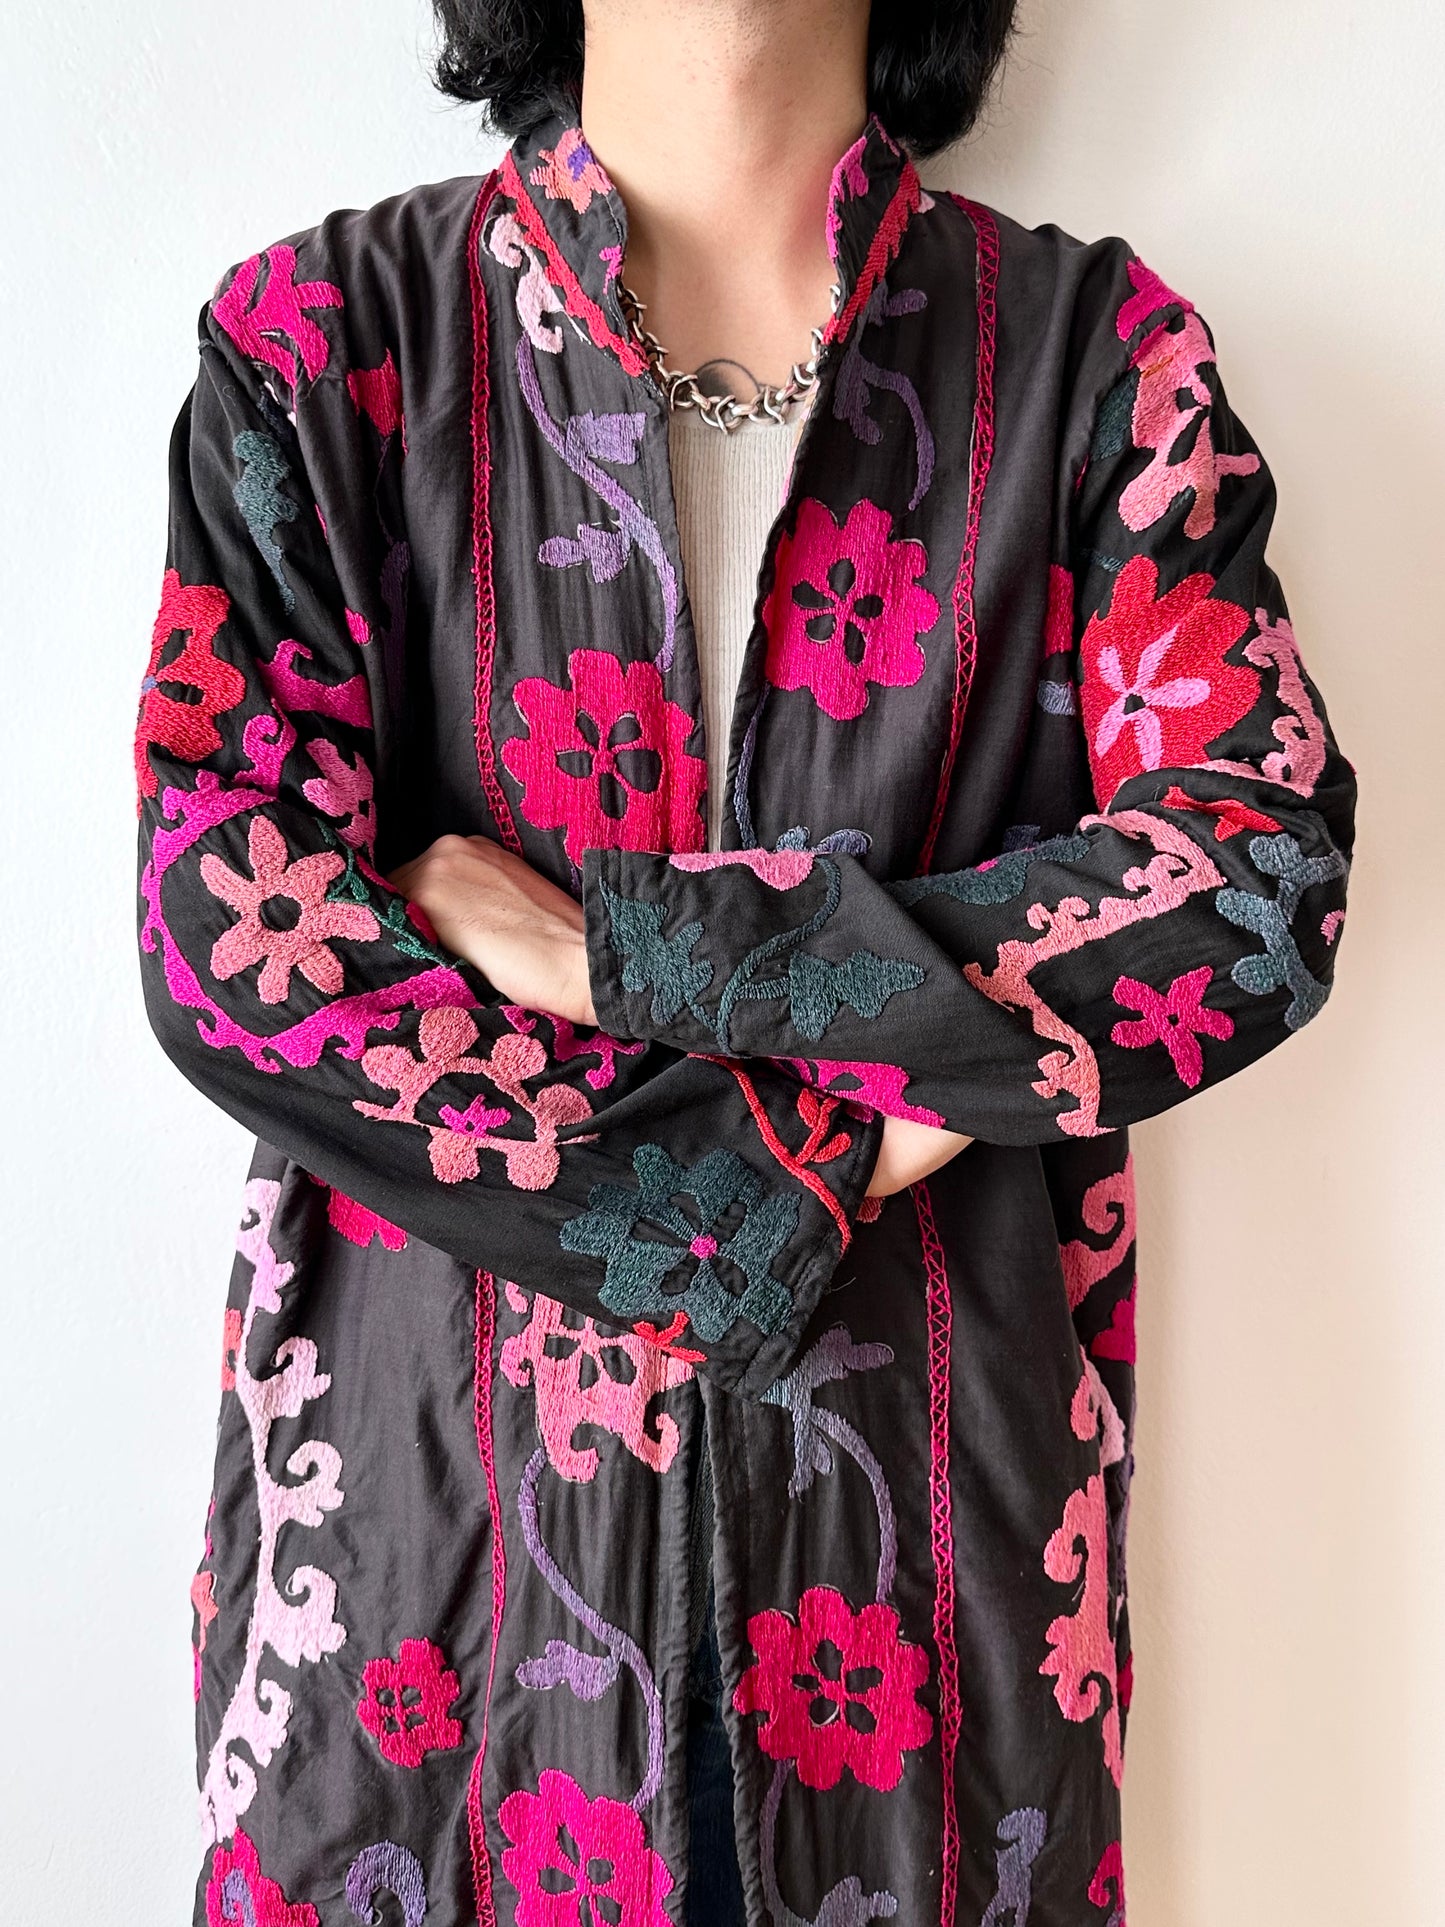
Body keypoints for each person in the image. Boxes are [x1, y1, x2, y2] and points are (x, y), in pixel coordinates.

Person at [134, 0, 1356, 1920]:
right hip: (420, 1620)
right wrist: (819, 1161)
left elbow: (1253, 875)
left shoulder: (1091, 364)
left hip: (928, 1607)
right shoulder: (326, 347)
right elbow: (230, 930)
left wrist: (625, 950)